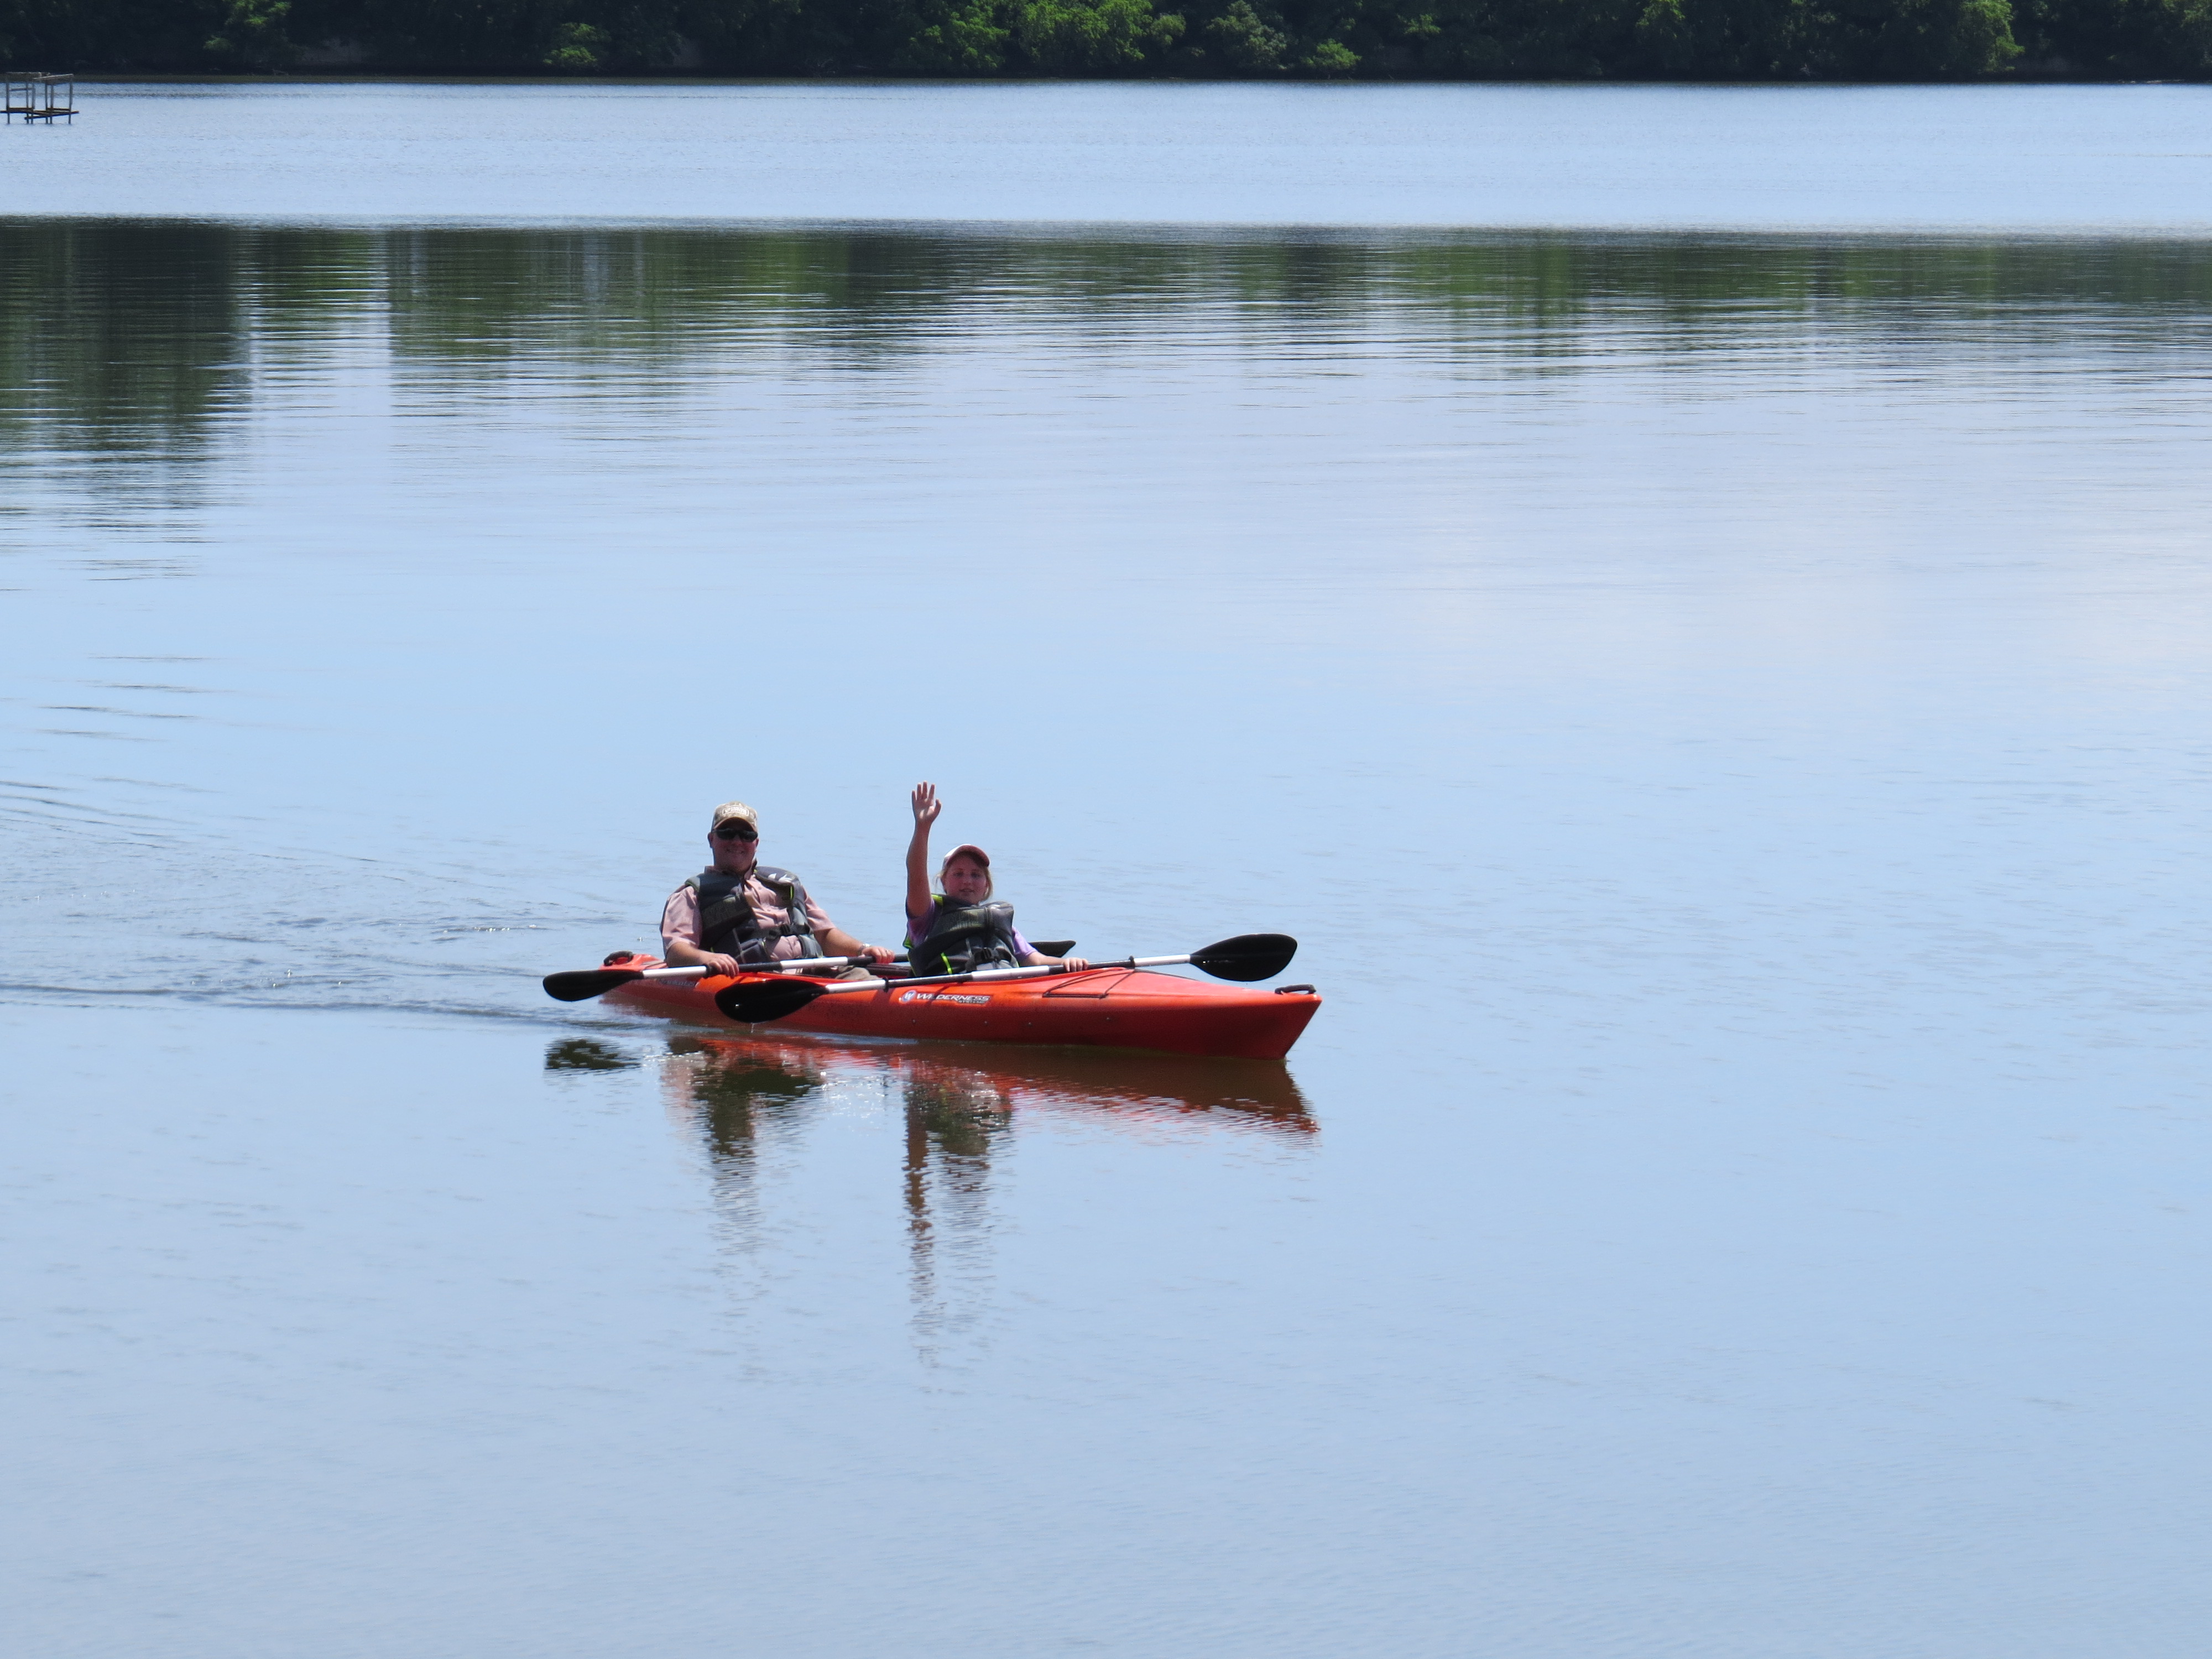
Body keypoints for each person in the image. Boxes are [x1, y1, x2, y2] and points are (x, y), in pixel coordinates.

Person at [662, 802, 896, 977]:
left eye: (746, 835)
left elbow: (824, 934)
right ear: (711, 839)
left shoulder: (785, 884)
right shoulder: (693, 893)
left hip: (814, 971)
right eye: (727, 833)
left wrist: (863, 949)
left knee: (859, 976)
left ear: (756, 843)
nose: (737, 841)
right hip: (755, 980)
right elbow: (676, 952)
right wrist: (707, 958)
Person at [904, 782, 1088, 977]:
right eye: (958, 874)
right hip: (949, 992)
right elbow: (915, 874)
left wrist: (1068, 963)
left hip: (1003, 991)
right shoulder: (927, 915)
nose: (967, 881)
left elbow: (1035, 960)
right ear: (943, 882)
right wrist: (923, 827)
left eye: (976, 875)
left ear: (986, 886)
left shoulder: (999, 922)